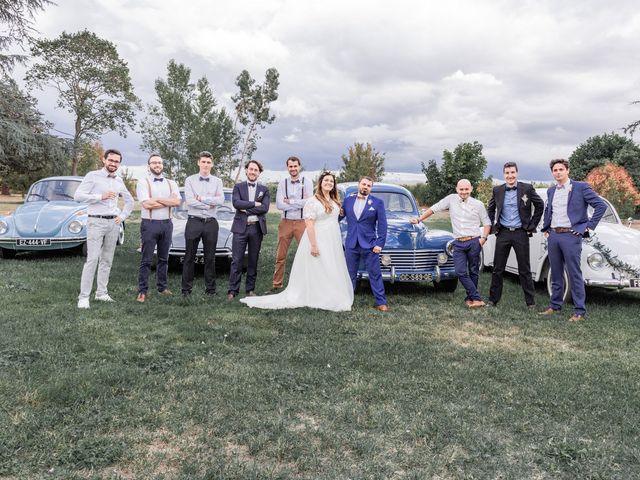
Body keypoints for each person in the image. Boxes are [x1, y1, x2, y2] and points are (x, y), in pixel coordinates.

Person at [241, 171, 353, 311]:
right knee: (319, 265)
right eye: (326, 181)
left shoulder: (335, 201)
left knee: (331, 265)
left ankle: (332, 293)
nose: (329, 183)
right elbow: (310, 224)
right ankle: (317, 295)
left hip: (332, 238)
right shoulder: (313, 201)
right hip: (318, 237)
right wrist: (313, 245)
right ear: (320, 183)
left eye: (331, 181)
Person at [539, 158, 606, 321]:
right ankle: (555, 306)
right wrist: (546, 228)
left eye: (561, 169)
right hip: (554, 236)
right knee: (555, 272)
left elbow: (600, 205)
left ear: (567, 170)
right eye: (555, 170)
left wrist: (588, 226)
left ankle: (579, 311)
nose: (558, 172)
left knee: (574, 273)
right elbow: (549, 210)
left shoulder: (580, 187)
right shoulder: (551, 191)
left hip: (571, 236)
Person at [411, 179, 490, 308]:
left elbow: (487, 223)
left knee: (473, 271)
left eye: (466, 189)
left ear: (471, 189)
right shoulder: (451, 199)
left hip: (474, 241)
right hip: (458, 242)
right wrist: (419, 219)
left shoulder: (478, 204)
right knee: (460, 271)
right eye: (461, 189)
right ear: (457, 189)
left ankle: (471, 299)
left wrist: (483, 239)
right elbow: (434, 208)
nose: (464, 192)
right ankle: (477, 298)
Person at [74, 148, 134, 309]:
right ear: (104, 159)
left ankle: (101, 293)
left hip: (113, 223)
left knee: (107, 260)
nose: (113, 164)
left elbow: (129, 201)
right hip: (96, 222)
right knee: (92, 259)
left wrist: (122, 217)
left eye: (116, 161)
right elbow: (78, 196)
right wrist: (100, 196)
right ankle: (84, 297)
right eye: (111, 160)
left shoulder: (119, 180)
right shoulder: (92, 176)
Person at [486, 162, 544, 308]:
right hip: (503, 233)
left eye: (512, 172)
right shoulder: (497, 190)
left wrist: (531, 225)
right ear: (503, 174)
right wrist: (494, 225)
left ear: (517, 173)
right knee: (498, 268)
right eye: (507, 173)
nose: (510, 176)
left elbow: (540, 206)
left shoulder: (527, 189)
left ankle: (530, 303)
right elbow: (491, 209)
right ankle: (493, 300)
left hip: (521, 233)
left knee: (524, 269)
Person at [135, 154, 180, 303]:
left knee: (163, 258)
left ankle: (162, 287)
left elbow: (177, 202)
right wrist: (168, 201)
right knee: (146, 259)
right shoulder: (143, 182)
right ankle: (142, 290)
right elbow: (146, 204)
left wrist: (157, 200)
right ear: (149, 166)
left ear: (163, 165)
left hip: (167, 224)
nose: (157, 165)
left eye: (159, 162)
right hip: (150, 223)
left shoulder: (171, 183)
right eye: (154, 163)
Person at [181, 151, 225, 297]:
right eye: (203, 162)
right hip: (194, 221)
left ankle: (210, 290)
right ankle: (186, 290)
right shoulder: (189, 180)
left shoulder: (218, 181)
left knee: (210, 257)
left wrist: (202, 198)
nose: (206, 165)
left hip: (211, 223)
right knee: (189, 257)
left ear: (212, 164)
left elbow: (220, 200)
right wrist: (208, 204)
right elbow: (190, 201)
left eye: (208, 162)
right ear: (198, 163)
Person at [341, 176, 388, 311]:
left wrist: (380, 243)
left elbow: (383, 225)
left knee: (375, 273)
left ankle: (381, 302)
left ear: (371, 188)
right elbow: (339, 217)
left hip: (370, 244)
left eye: (368, 185)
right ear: (358, 185)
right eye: (363, 184)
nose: (365, 187)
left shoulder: (377, 203)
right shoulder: (348, 200)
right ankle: (347, 301)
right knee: (350, 273)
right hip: (351, 243)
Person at [227, 160, 270, 299]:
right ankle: (233, 291)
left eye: (255, 170)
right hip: (240, 228)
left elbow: (264, 208)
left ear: (259, 172)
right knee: (236, 260)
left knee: (253, 259)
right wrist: (254, 204)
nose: (252, 172)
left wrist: (246, 208)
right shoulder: (238, 187)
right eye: (250, 169)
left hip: (256, 229)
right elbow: (236, 203)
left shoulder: (264, 189)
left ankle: (250, 290)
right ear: (246, 170)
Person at [271, 156, 313, 291]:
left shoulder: (307, 181)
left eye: (295, 166)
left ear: (299, 167)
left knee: (306, 254)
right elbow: (279, 204)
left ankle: (307, 284)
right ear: (287, 167)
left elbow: (308, 202)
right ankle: (277, 284)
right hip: (286, 222)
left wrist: (290, 201)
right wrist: (298, 203)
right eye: (290, 166)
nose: (293, 169)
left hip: (302, 222)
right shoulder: (282, 182)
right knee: (280, 255)